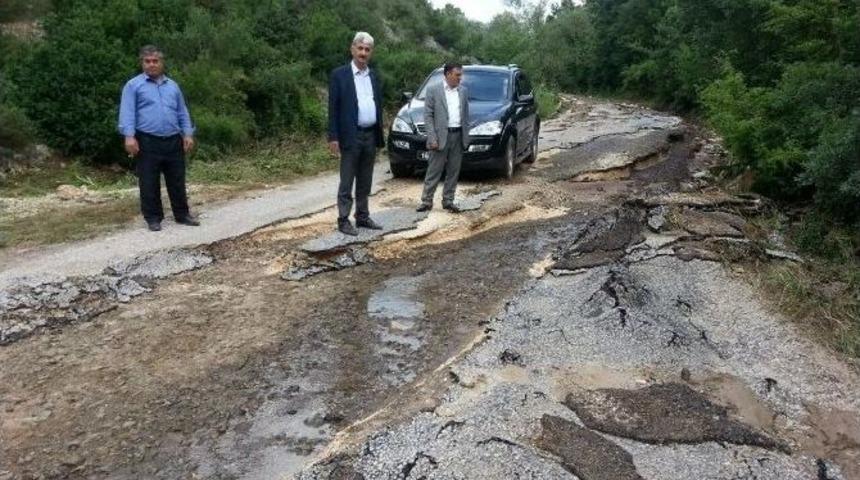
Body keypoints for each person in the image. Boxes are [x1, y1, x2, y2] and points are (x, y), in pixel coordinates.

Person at [118, 45, 198, 232]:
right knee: (149, 181)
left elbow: (182, 111)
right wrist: (129, 137)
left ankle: (182, 214)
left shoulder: (173, 86)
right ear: (142, 63)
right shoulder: (133, 85)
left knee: (177, 179)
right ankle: (153, 218)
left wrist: (187, 133)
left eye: (155, 61)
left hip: (173, 140)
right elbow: (127, 112)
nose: (152, 65)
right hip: (147, 140)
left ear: (162, 63)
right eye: (148, 61)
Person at [328, 32, 385, 236]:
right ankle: (343, 219)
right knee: (347, 180)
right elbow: (333, 108)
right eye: (360, 48)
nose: (363, 53)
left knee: (365, 179)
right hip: (350, 135)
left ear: (371, 53)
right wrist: (333, 137)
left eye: (367, 49)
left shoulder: (374, 75)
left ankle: (362, 216)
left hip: (370, 134)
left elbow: (378, 104)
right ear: (352, 49)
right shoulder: (339, 75)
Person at [417, 62, 470, 213]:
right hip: (440, 137)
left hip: (458, 135)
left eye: (461, 75)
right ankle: (426, 201)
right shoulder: (434, 90)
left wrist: (466, 137)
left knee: (454, 170)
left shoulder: (463, 91)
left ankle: (448, 200)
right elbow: (428, 115)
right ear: (447, 74)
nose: (460, 78)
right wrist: (432, 137)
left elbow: (466, 115)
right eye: (457, 75)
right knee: (434, 170)